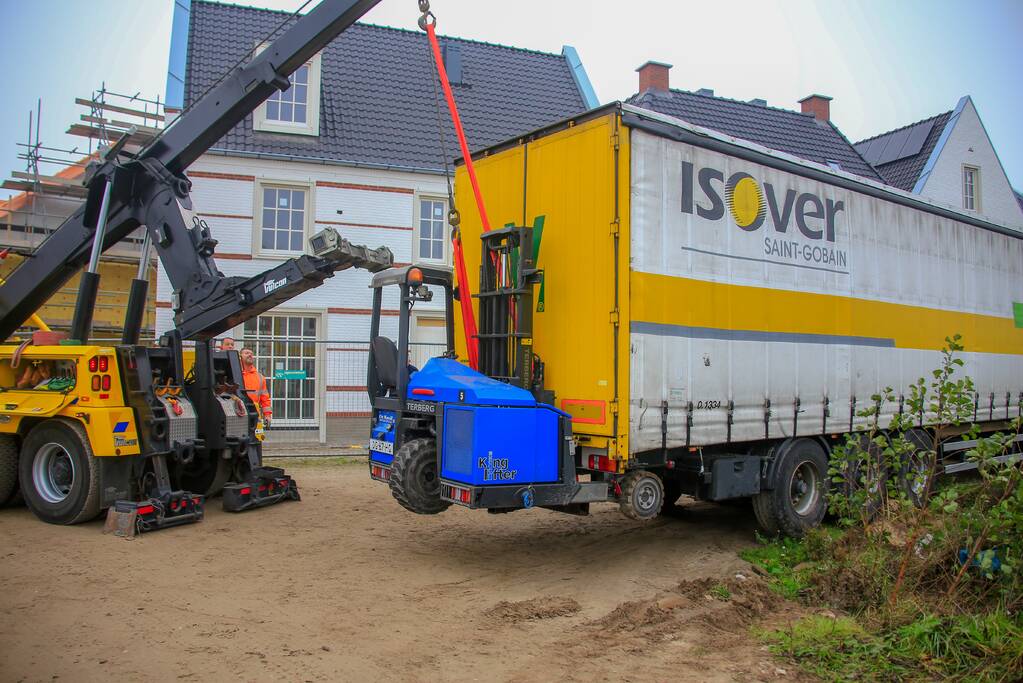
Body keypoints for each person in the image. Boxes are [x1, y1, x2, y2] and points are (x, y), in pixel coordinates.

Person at [239, 347, 272, 426]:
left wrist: (267, 415)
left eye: (251, 354)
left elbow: (265, 399)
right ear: (240, 356)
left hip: (254, 415)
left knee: (256, 438)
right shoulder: (234, 374)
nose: (250, 355)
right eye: (246, 353)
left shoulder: (260, 377)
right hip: (237, 413)